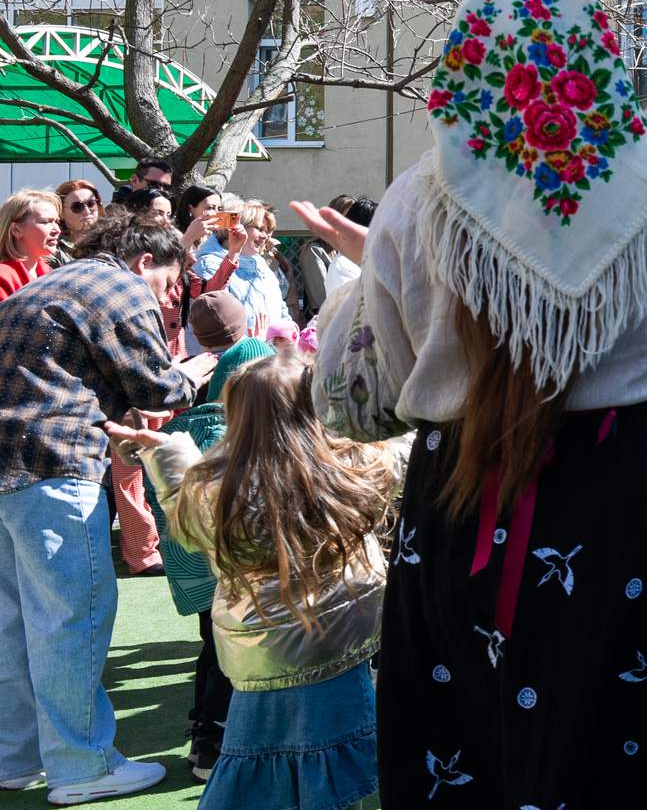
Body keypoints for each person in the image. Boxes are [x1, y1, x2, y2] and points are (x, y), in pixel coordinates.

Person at [300, 0, 647, 805]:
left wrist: (372, 282)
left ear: (465, 60)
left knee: (473, 749)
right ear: (598, 49)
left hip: (466, 491)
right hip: (644, 491)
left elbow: (361, 402)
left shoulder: (414, 201)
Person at [114, 351, 400, 810]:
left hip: (261, 658)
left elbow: (185, 507)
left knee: (255, 768)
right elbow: (398, 446)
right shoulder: (351, 471)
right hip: (339, 646)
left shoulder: (220, 496)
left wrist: (162, 450)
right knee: (338, 766)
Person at [0, 210, 215, 803]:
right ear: (145, 261)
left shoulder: (51, 282)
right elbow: (157, 388)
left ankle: (16, 757)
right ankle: (83, 767)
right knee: (74, 617)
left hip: (10, 467)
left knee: (13, 623)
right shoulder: (120, 286)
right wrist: (195, 370)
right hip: (53, 466)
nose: (170, 298)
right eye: (170, 283)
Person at [144, 333, 274, 780]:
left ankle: (204, 728)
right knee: (226, 650)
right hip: (224, 565)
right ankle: (211, 743)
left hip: (187, 563)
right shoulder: (231, 432)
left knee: (211, 646)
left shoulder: (181, 428)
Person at [192, 202, 289, 331]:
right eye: (259, 229)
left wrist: (289, 334)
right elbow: (214, 321)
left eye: (267, 231)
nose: (265, 236)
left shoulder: (263, 266)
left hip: (269, 344)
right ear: (236, 227)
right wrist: (252, 343)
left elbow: (281, 311)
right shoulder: (209, 265)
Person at [0, 189, 60, 299]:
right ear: (16, 230)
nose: (57, 230)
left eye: (57, 222)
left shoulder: (51, 274)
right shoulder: (3, 278)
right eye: (45, 222)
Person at [53, 180, 104, 267]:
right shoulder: (54, 248)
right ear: (61, 213)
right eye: (77, 207)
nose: (86, 211)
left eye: (91, 204)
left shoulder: (112, 242)